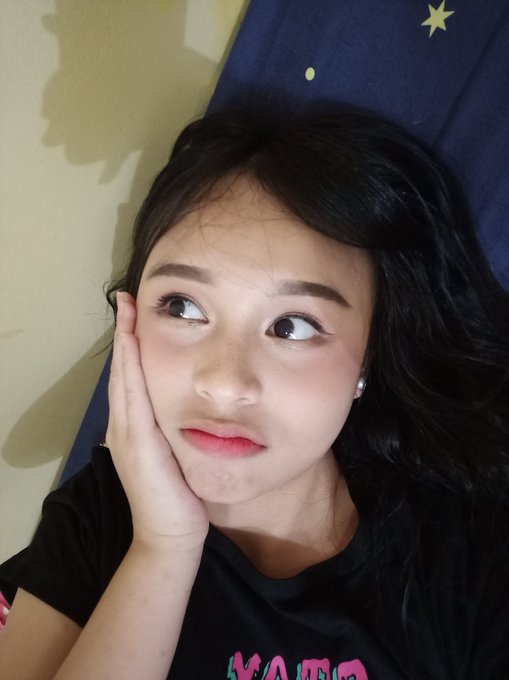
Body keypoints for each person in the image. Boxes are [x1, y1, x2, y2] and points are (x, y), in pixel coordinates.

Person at [0, 106, 508, 680]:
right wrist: (164, 547)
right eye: (183, 307)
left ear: (371, 355)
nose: (223, 383)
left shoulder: (472, 564)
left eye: (292, 326)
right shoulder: (99, 513)